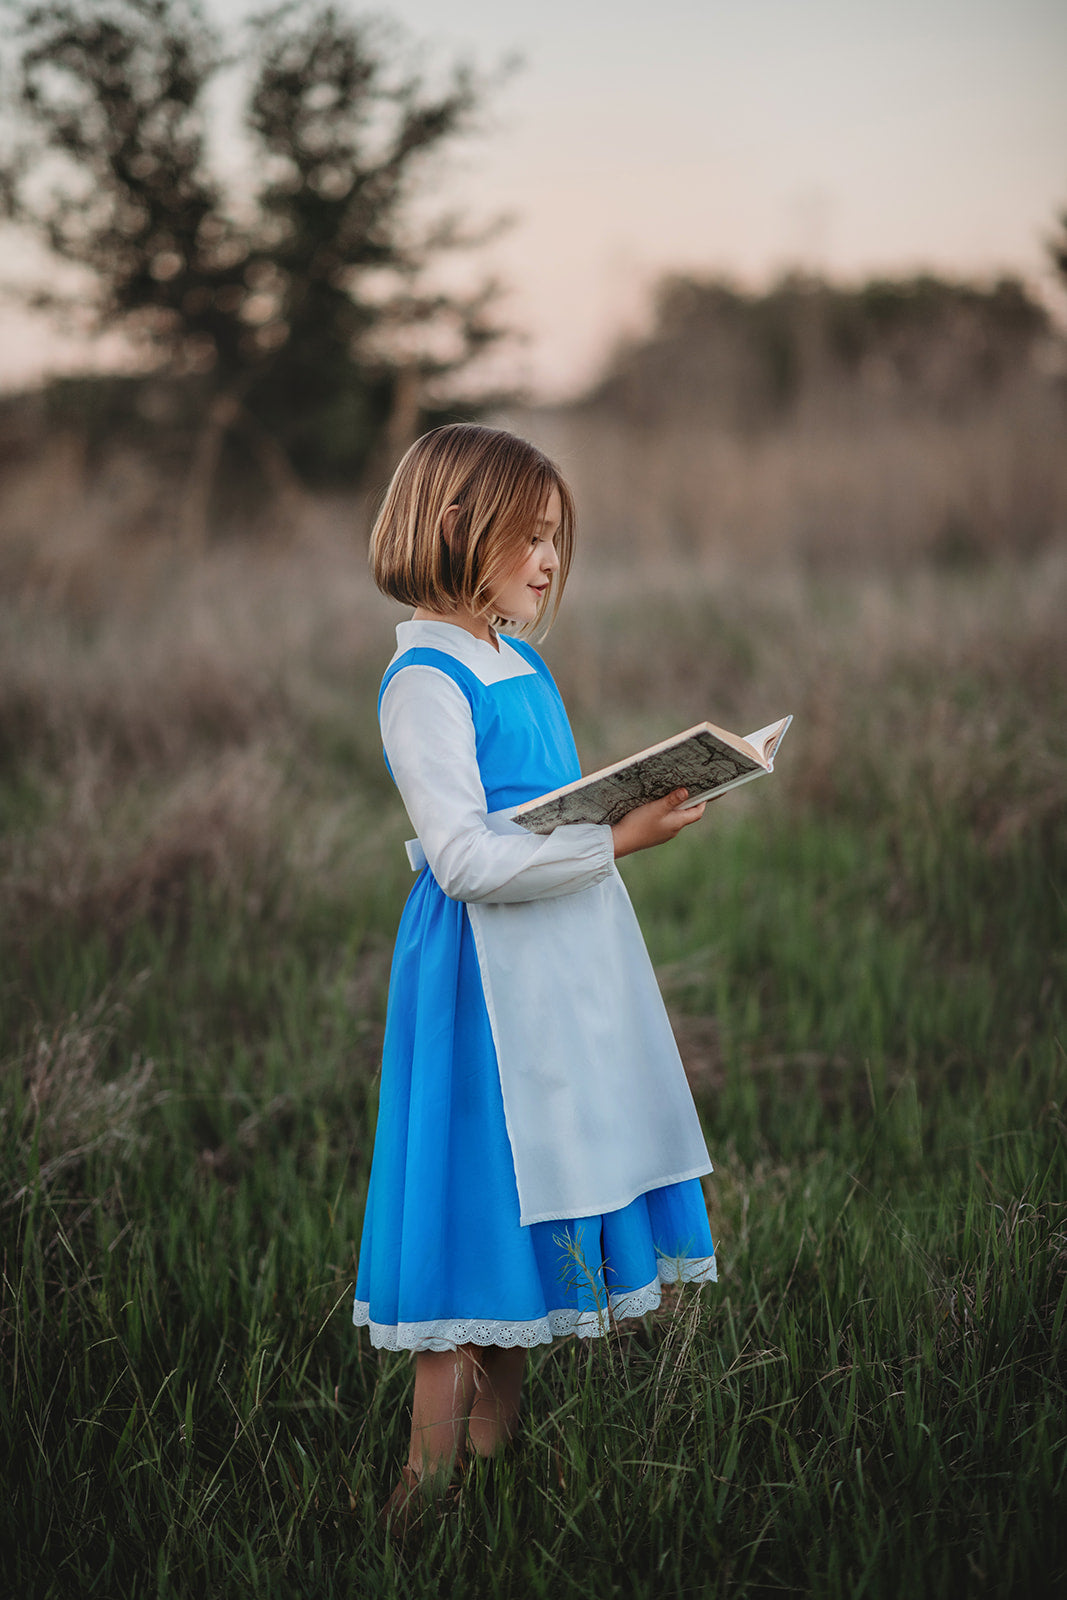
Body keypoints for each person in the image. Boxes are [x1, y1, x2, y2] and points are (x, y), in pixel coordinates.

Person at [352, 423, 717, 1525]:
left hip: (552, 974)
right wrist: (616, 841)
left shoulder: (522, 657)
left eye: (557, 538)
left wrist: (617, 806)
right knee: (473, 1217)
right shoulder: (422, 676)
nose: (549, 559)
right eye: (530, 536)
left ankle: (494, 1479)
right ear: (457, 529)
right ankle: (419, 1493)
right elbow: (463, 857)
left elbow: (539, 810)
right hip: (479, 990)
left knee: (528, 1209)